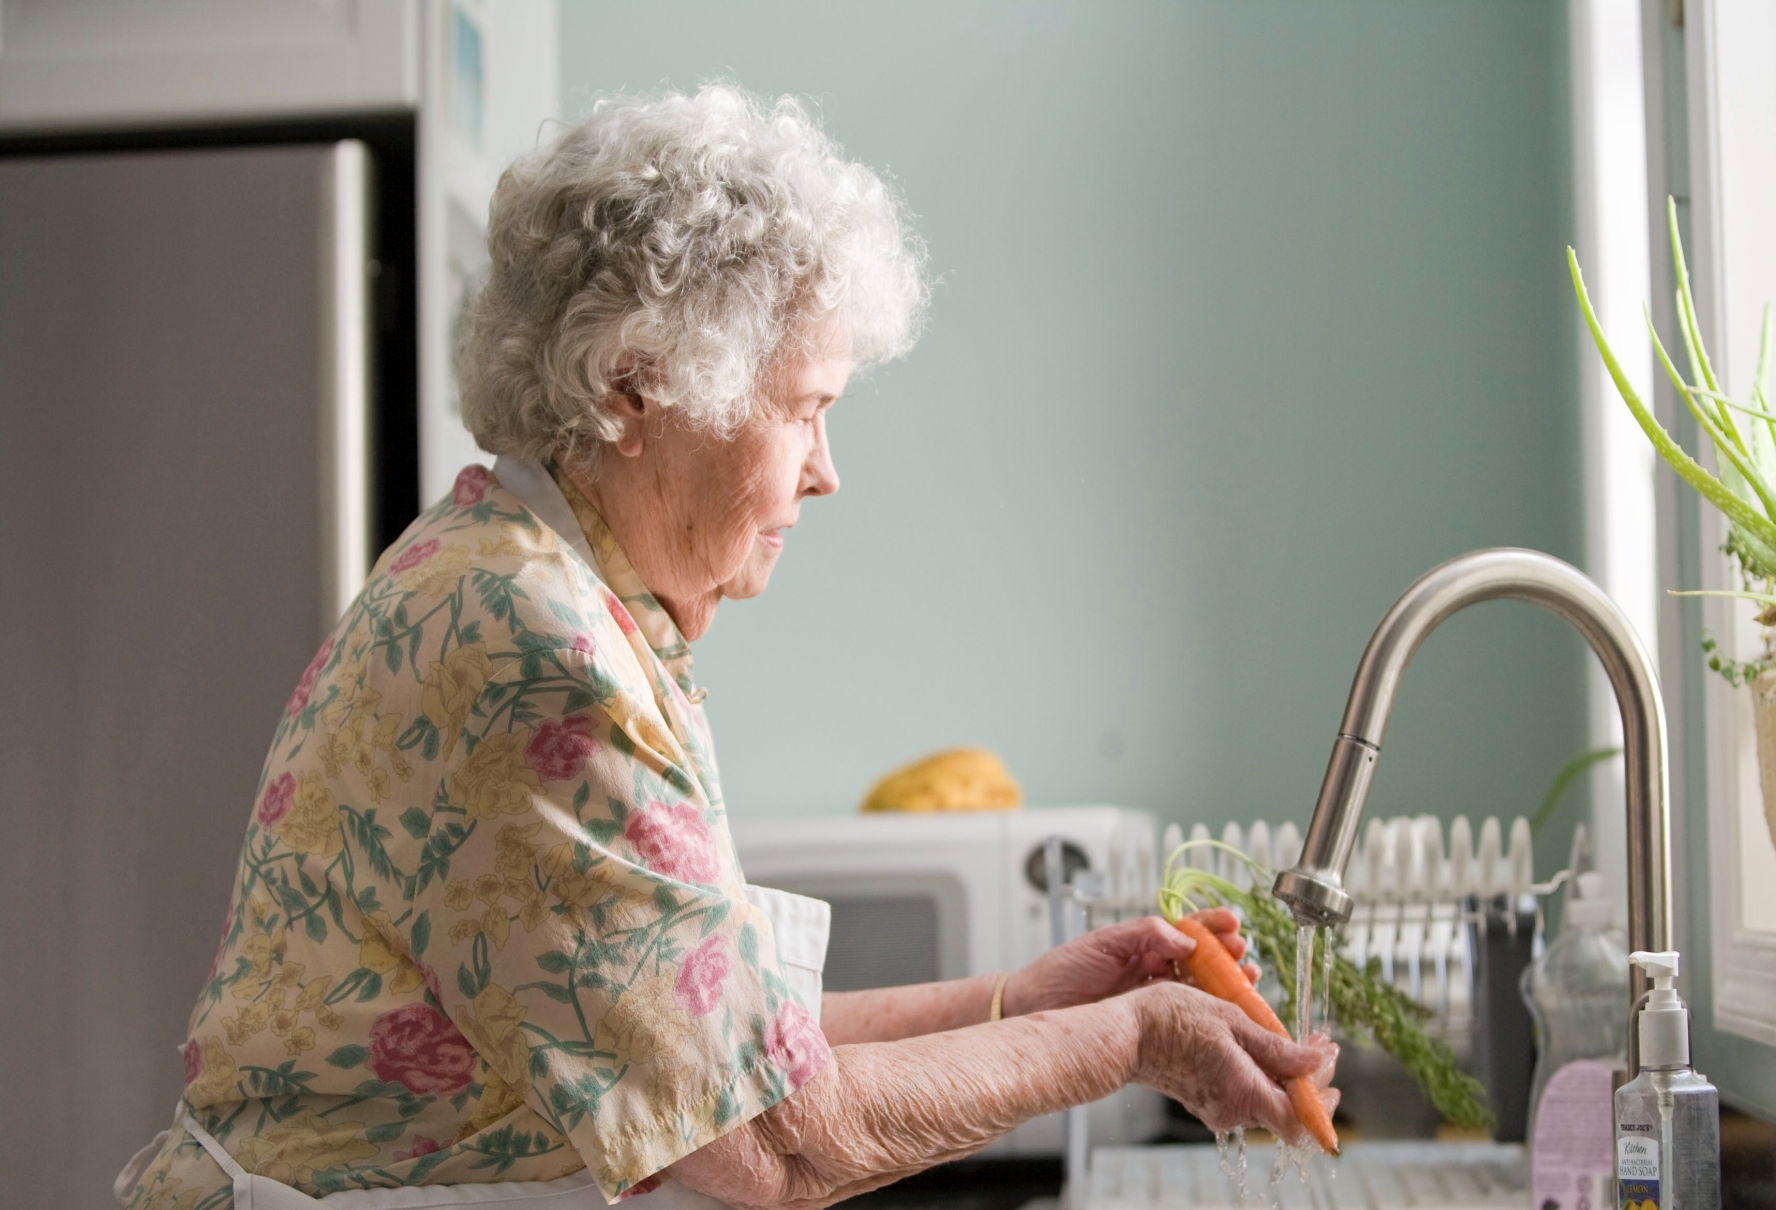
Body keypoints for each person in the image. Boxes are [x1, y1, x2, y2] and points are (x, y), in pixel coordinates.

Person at [116, 84, 1335, 1210]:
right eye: (805, 409)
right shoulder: (530, 649)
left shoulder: (542, 585)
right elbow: (776, 1135)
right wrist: (1131, 1040)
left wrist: (1026, 1000)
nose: (826, 470)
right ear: (639, 389)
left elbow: (712, 1040)